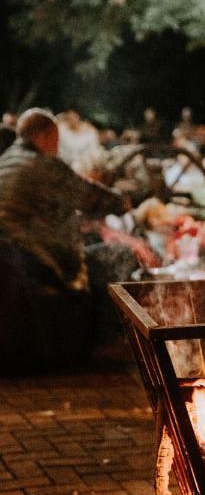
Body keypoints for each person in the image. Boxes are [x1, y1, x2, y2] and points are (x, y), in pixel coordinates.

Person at [0, 108, 127, 372]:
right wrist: (121, 202)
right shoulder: (42, 164)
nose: (57, 148)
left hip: (13, 253)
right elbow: (86, 194)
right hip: (32, 255)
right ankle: (106, 342)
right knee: (117, 256)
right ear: (46, 136)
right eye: (56, 140)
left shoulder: (8, 160)